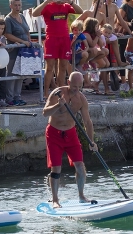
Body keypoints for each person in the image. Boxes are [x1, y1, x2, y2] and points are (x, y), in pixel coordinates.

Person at [42, 71, 98, 209]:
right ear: (68, 83)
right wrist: (58, 106)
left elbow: (87, 122)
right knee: (56, 168)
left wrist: (91, 141)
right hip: (54, 133)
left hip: (71, 134)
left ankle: (81, 196)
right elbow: (45, 113)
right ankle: (55, 200)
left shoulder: (82, 99)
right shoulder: (57, 93)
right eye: (74, 87)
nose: (77, 90)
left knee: (80, 166)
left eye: (80, 87)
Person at [32, 0, 83, 99]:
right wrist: (46, 2)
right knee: (49, 67)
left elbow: (80, 11)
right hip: (51, 39)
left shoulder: (66, 6)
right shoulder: (48, 6)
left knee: (63, 66)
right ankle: (45, 92)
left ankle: (61, 91)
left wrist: (70, 2)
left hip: (64, 39)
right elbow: (35, 13)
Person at [4, 0, 31, 106]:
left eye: (19, 5)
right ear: (10, 6)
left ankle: (17, 96)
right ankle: (9, 98)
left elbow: (27, 30)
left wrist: (28, 40)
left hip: (24, 51)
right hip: (13, 50)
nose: (18, 7)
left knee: (20, 73)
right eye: (15, 5)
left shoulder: (22, 16)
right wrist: (22, 41)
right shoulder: (8, 19)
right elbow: (8, 34)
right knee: (11, 73)